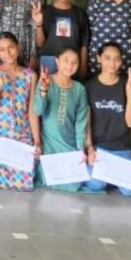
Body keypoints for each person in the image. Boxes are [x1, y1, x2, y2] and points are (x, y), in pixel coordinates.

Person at [82, 43, 131, 197]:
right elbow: (86, 122)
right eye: (107, 58)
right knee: (94, 184)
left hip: (122, 149)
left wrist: (130, 95)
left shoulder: (126, 84)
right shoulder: (89, 87)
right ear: (99, 59)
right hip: (99, 149)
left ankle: (111, 176)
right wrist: (90, 148)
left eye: (116, 59)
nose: (112, 63)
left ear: (121, 61)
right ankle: (111, 177)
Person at [0, 32, 39, 191]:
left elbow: (32, 111)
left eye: (11, 47)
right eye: (1, 49)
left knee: (23, 185)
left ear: (18, 47)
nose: (7, 53)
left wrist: (37, 141)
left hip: (22, 134)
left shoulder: (30, 75)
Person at [33, 47, 91, 192]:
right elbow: (38, 110)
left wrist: (81, 149)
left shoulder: (79, 89)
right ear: (57, 61)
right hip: (49, 144)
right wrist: (44, 89)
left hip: (69, 144)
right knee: (48, 178)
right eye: (66, 61)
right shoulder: (46, 80)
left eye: (74, 62)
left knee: (74, 184)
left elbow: (81, 122)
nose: (70, 66)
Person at [35, 0, 89, 77]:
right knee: (47, 86)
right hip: (49, 58)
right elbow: (40, 44)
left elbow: (84, 44)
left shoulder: (80, 14)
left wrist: (83, 67)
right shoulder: (44, 12)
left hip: (72, 61)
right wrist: (39, 24)